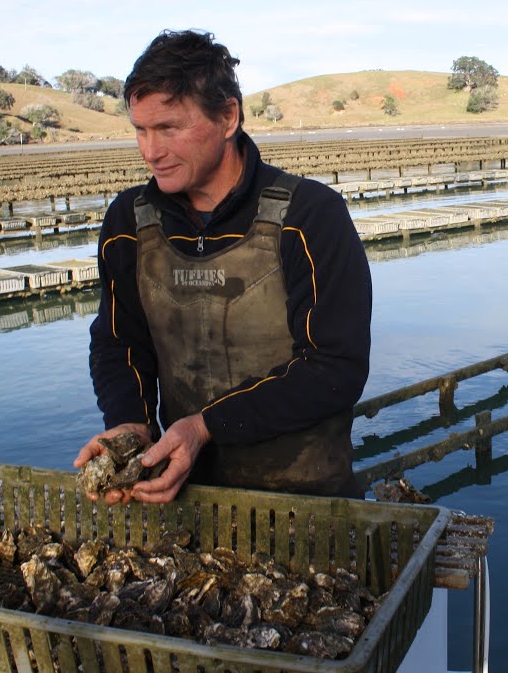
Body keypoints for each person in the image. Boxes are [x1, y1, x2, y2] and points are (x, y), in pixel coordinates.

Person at [75, 30, 372, 504]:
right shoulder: (128, 221)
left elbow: (334, 368)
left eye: (169, 128)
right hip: (182, 499)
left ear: (228, 116)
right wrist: (128, 423)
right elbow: (119, 341)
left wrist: (204, 427)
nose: (150, 151)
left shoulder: (309, 216)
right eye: (140, 130)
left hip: (306, 500)